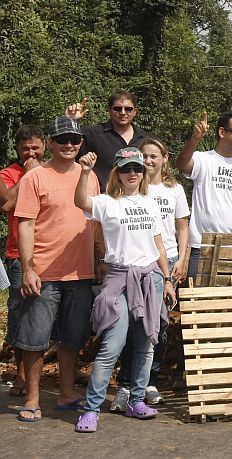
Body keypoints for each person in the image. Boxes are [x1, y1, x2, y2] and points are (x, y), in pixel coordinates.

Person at [72, 148, 176, 432]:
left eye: (137, 168)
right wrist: (84, 172)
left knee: (146, 345)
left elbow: (159, 245)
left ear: (143, 173)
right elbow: (80, 201)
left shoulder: (151, 203)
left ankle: (137, 400)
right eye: (126, 168)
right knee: (112, 346)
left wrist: (167, 279)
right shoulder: (107, 202)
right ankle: (92, 409)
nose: (133, 173)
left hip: (150, 279)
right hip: (119, 278)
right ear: (117, 172)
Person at [12, 116, 99, 422]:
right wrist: (28, 268)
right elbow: (25, 224)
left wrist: (100, 259)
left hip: (81, 271)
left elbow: (96, 222)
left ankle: (66, 393)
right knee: (34, 340)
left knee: (72, 338)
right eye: (62, 140)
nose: (69, 145)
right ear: (50, 143)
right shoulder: (36, 177)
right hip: (44, 272)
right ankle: (33, 398)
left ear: (81, 143)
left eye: (74, 140)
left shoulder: (89, 175)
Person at [112, 137, 191, 408]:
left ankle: (149, 381)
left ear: (164, 158)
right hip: (139, 260)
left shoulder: (175, 189)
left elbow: (182, 226)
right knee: (134, 323)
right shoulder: (134, 187)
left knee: (159, 324)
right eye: (143, 156)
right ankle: (125, 384)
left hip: (168, 262)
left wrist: (182, 259)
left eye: (153, 156)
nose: (148, 161)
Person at [0, 125, 45, 399]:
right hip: (19, 254)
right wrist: (28, 175)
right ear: (17, 149)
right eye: (25, 148)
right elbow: (6, 205)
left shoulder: (53, 169)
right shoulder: (8, 174)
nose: (31, 153)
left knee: (54, 315)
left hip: (52, 253)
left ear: (44, 147)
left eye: (35, 147)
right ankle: (21, 373)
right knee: (20, 314)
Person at [175, 112, 232, 244]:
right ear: (222, 132)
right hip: (201, 243)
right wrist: (195, 139)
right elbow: (181, 164)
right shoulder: (203, 159)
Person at [65, 91, 148, 188]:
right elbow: (65, 148)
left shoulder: (145, 139)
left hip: (137, 196)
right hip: (101, 195)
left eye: (128, 109)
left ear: (135, 111)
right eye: (117, 108)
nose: (123, 112)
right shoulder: (91, 135)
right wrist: (71, 122)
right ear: (109, 110)